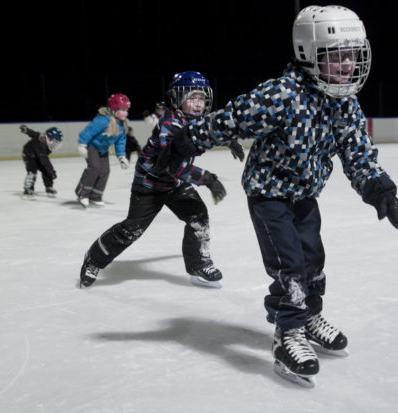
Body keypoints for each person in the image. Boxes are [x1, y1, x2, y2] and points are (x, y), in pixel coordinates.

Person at [181, 5, 398, 387]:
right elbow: (233, 118)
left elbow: (357, 149)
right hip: (269, 194)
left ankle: (307, 316)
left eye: (353, 55)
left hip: (304, 195)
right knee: (290, 265)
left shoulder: (344, 101)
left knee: (313, 259)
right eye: (338, 56)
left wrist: (378, 187)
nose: (349, 64)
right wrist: (190, 138)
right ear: (309, 53)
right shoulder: (281, 94)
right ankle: (288, 332)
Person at [79, 71, 244, 290]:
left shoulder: (197, 119)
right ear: (177, 99)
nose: (198, 104)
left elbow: (212, 127)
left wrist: (230, 140)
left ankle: (198, 265)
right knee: (131, 230)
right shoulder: (171, 125)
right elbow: (172, 165)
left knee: (198, 217)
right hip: (150, 185)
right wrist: (207, 179)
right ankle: (94, 259)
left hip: (175, 185)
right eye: (191, 98)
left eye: (202, 98)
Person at [75, 93, 131, 208]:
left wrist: (122, 156)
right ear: (113, 109)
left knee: (105, 171)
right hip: (92, 147)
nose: (125, 112)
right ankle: (82, 193)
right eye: (122, 109)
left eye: (126, 110)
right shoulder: (102, 120)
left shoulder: (122, 125)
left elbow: (120, 142)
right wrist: (82, 145)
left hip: (103, 150)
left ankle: (95, 196)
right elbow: (88, 131)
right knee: (95, 168)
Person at [19, 124, 63, 199]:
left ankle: (49, 187)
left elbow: (33, 133)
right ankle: (28, 188)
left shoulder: (42, 138)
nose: (55, 145)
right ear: (49, 138)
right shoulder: (42, 145)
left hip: (38, 155)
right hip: (29, 155)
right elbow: (45, 161)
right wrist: (52, 171)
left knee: (46, 170)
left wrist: (27, 130)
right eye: (54, 142)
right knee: (32, 170)